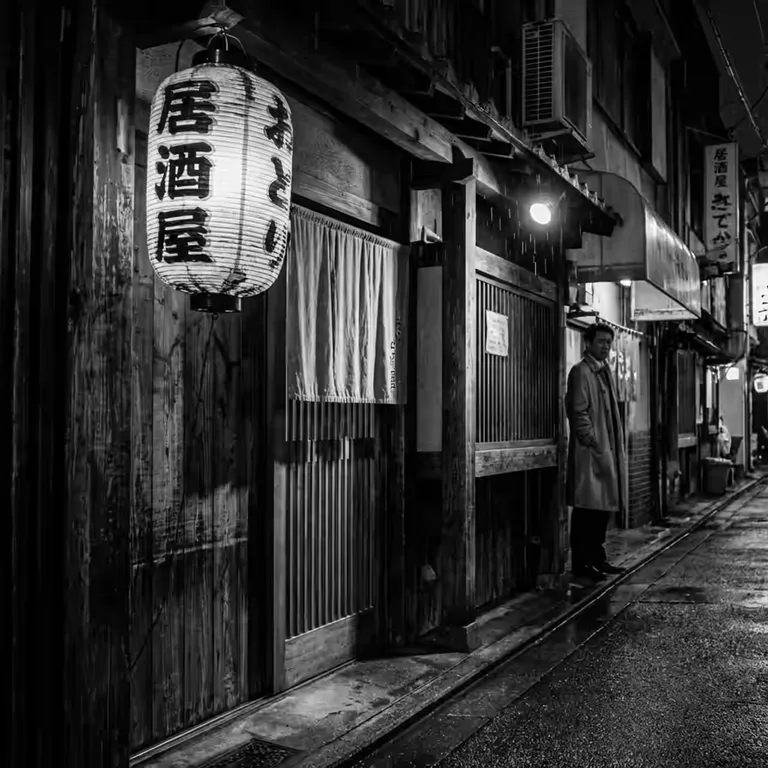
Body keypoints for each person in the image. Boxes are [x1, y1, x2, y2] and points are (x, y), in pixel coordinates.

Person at [565, 322, 628, 581]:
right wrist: (592, 441)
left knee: (601, 508)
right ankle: (582, 562)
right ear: (588, 343)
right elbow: (578, 411)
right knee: (587, 509)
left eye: (609, 342)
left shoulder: (604, 371)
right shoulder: (581, 372)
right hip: (591, 452)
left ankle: (597, 557)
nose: (606, 346)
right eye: (601, 341)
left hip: (604, 450)